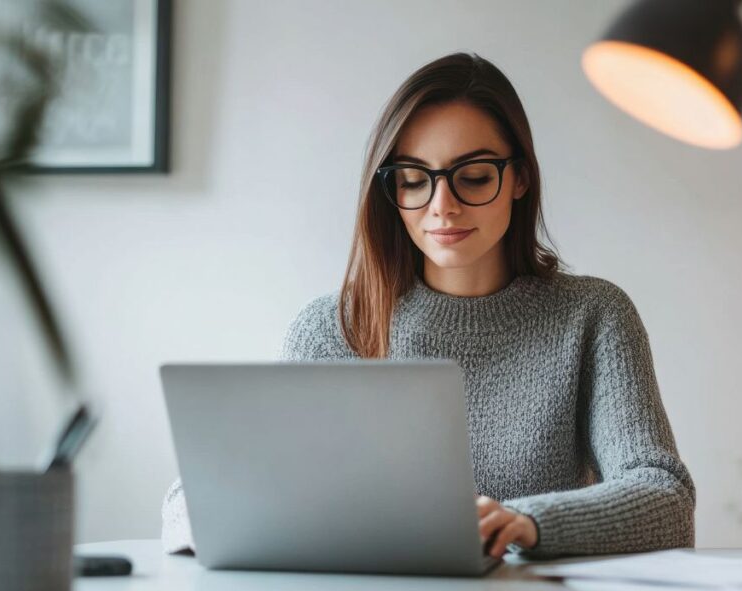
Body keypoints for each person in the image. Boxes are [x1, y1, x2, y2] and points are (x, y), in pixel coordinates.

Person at [161, 51, 695, 559]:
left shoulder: (593, 315)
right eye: (414, 180)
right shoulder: (333, 328)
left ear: (520, 177)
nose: (442, 207)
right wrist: (213, 515)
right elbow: (196, 498)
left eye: (474, 177)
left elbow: (665, 498)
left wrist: (525, 523)